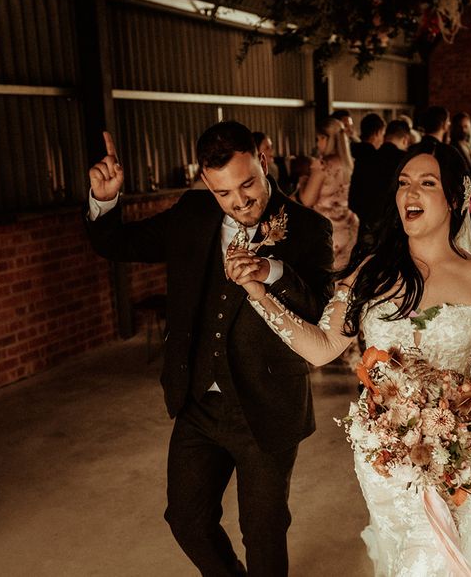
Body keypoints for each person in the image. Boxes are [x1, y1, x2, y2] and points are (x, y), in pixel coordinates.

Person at [226, 142, 471, 576]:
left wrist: (460, 450)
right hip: (383, 457)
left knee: (435, 562)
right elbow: (321, 348)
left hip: (454, 458)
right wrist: (259, 295)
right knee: (405, 556)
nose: (411, 193)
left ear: (454, 200)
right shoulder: (369, 273)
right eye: (404, 183)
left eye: (427, 183)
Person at [85, 122, 334, 576]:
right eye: (223, 193)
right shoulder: (192, 214)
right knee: (186, 519)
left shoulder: (309, 228)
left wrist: (270, 270)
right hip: (200, 402)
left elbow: (320, 312)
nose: (240, 201)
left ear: (263, 159)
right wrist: (106, 201)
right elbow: (118, 243)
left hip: (267, 404)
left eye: (248, 184)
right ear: (205, 183)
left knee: (263, 532)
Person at [300, 116, 359, 269]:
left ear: (326, 138)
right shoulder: (348, 163)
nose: (317, 143)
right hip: (348, 225)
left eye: (318, 139)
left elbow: (307, 200)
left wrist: (303, 182)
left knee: (328, 277)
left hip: (328, 228)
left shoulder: (322, 166)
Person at [349, 119, 411, 241]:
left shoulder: (365, 160)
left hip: (366, 228)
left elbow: (353, 200)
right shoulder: (405, 163)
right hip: (394, 231)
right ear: (405, 140)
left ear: (385, 136)